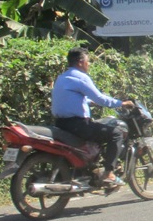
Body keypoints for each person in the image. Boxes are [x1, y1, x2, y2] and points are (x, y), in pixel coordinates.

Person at [52, 48, 133, 186]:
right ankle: (109, 173)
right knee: (116, 134)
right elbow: (101, 98)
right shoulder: (81, 77)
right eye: (88, 62)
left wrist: (89, 102)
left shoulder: (62, 77)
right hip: (77, 125)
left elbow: (70, 98)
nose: (89, 65)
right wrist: (122, 103)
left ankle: (92, 169)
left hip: (60, 123)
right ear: (80, 62)